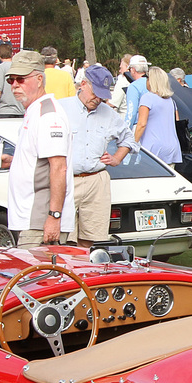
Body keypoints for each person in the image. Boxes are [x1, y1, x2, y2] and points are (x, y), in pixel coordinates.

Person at [61, 63, 136, 250]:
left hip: (96, 181)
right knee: (64, 239)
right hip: (66, 180)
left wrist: (117, 158)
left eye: (103, 96)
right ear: (83, 84)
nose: (98, 99)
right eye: (95, 93)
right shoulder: (61, 108)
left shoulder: (109, 114)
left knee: (91, 238)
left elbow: (129, 138)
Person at [3, 50, 74, 246]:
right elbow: (40, 160)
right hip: (29, 219)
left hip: (39, 221)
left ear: (39, 79)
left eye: (21, 79)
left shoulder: (49, 115)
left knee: (38, 276)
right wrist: (12, 161)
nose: (15, 85)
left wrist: (54, 216)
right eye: (11, 80)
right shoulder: (34, 111)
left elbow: (59, 167)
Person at [135, 66, 182, 164]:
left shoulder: (147, 98)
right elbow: (177, 120)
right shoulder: (171, 101)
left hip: (153, 147)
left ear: (151, 81)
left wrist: (132, 143)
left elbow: (142, 124)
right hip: (172, 146)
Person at [0, 44, 21, 118]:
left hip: (5, 110)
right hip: (21, 110)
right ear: (12, 54)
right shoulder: (19, 67)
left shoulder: (0, 68)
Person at [123, 54, 151, 121]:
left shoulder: (134, 86)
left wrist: (126, 129)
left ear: (133, 69)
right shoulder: (153, 83)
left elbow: (131, 113)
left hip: (139, 124)